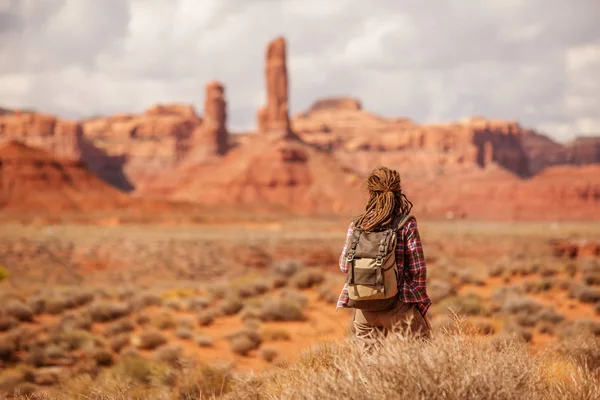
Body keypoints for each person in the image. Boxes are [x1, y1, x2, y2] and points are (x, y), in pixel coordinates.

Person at [336, 166, 431, 353]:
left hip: (364, 309)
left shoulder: (357, 225)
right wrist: (418, 306)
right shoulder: (406, 223)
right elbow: (418, 270)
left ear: (370, 193)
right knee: (422, 359)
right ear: (398, 193)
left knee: (369, 368)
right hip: (398, 306)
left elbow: (344, 265)